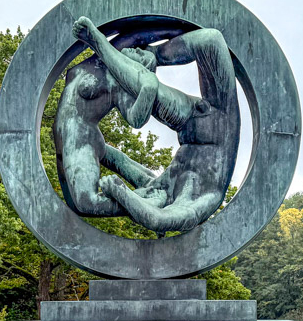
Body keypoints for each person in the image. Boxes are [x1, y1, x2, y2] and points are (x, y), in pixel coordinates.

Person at [72, 16, 241, 235]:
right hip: (218, 123)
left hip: (199, 125)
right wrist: (122, 193)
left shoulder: (162, 188)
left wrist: (89, 143)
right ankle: (145, 55)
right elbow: (160, 220)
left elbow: (155, 216)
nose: (147, 194)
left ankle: (102, 44)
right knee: (210, 39)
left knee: (151, 88)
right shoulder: (203, 198)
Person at [52, 39, 161, 217]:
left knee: (86, 203)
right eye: (139, 50)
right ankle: (151, 189)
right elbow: (133, 33)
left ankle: (147, 202)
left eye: (141, 55)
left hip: (81, 139)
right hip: (66, 141)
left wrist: (149, 89)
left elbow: (136, 120)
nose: (136, 50)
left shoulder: (117, 85)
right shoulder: (102, 56)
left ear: (136, 70)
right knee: (77, 208)